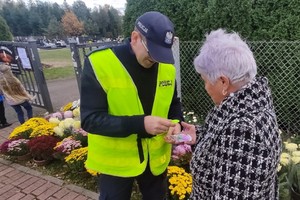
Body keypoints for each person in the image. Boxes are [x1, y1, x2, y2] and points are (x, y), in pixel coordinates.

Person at [167, 29, 282, 199]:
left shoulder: (244, 131)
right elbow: (222, 139)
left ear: (223, 82)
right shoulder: (246, 103)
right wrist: (195, 135)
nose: (205, 87)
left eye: (205, 81)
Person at [80, 11, 183, 200]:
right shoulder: (100, 63)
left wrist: (177, 123)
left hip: (155, 161)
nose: (156, 60)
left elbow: (174, 104)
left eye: (161, 53)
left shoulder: (166, 67)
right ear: (135, 38)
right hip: (116, 165)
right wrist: (140, 124)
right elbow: (90, 120)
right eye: (152, 52)